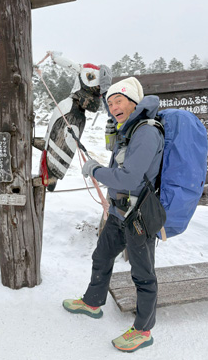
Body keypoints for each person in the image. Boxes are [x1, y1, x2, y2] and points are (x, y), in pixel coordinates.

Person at [62, 76, 164, 353]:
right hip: (119, 213)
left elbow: (129, 178)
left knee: (143, 274)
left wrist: (95, 170)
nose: (113, 106)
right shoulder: (126, 131)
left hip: (139, 217)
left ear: (133, 102)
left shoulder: (146, 131)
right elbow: (122, 167)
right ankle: (93, 302)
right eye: (110, 103)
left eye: (119, 100)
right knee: (102, 256)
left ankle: (143, 330)